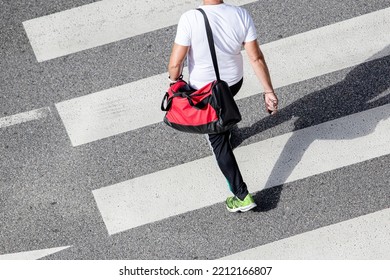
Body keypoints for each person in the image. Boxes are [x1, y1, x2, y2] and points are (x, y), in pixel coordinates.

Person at [168, 0, 278, 212]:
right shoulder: (241, 15)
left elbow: (175, 64)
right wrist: (268, 91)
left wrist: (174, 82)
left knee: (218, 143)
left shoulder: (189, 18)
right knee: (224, 106)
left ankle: (241, 195)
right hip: (232, 84)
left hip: (204, 92)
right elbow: (256, 58)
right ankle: (229, 127)